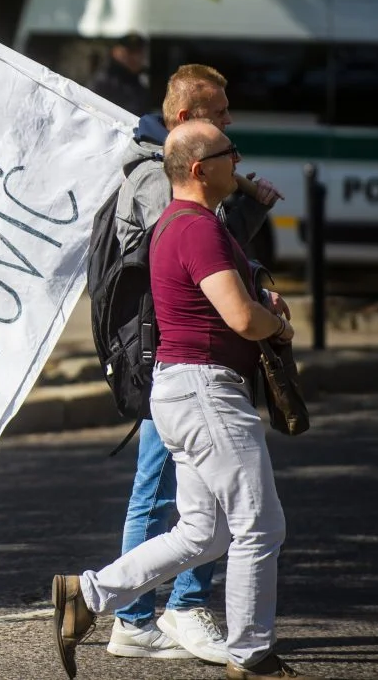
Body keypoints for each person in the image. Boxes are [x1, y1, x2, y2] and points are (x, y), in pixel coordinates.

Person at [53, 120, 318, 680]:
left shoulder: (185, 223)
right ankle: (251, 656)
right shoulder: (194, 227)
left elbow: (226, 294)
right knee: (259, 525)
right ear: (200, 168)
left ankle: (89, 593)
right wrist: (278, 324)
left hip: (184, 389)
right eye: (230, 152)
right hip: (205, 390)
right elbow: (243, 319)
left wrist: (257, 293)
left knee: (204, 531)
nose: (238, 160)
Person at [106, 64, 283, 665]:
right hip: (179, 361)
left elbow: (219, 251)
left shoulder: (186, 185)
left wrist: (247, 218)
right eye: (220, 118)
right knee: (169, 498)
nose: (231, 126)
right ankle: (141, 618)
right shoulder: (161, 186)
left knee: (201, 524)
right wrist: (270, 318)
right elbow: (198, 261)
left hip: (186, 363)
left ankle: (106, 596)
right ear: (187, 124)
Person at [89, 32, 150, 117]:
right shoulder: (104, 81)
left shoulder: (138, 81)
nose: (136, 57)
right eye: (130, 52)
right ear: (116, 52)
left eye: (139, 52)